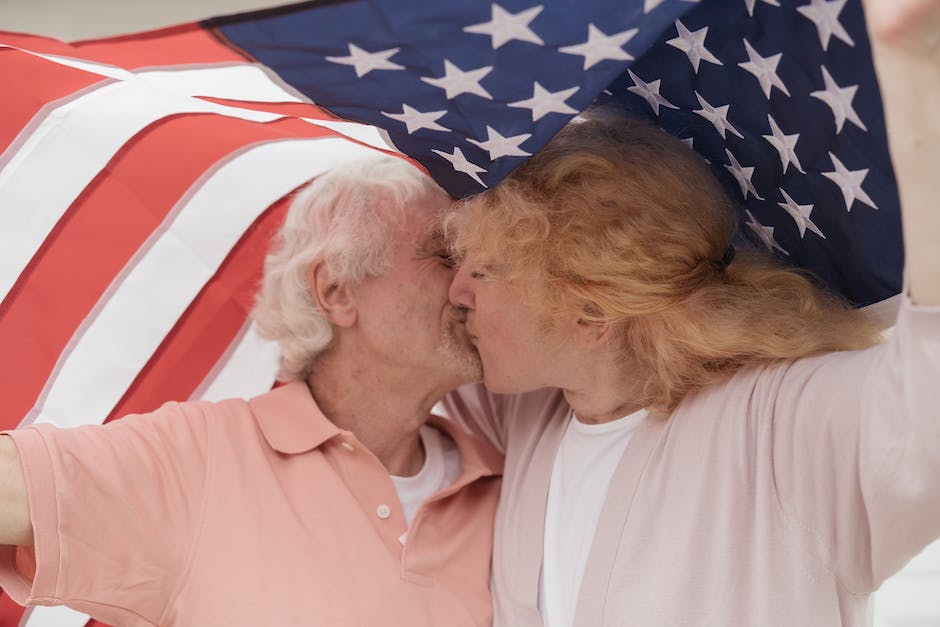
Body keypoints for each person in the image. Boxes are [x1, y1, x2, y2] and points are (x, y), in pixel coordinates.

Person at [443, 1, 940, 625]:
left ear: (592, 309)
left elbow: (930, 393)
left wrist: (916, 75)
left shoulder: (785, 428)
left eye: (482, 270)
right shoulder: (522, 412)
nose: (455, 290)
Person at [0, 155, 502, 626]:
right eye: (445, 257)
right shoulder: (205, 457)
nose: (471, 287)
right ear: (337, 291)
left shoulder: (505, 483)